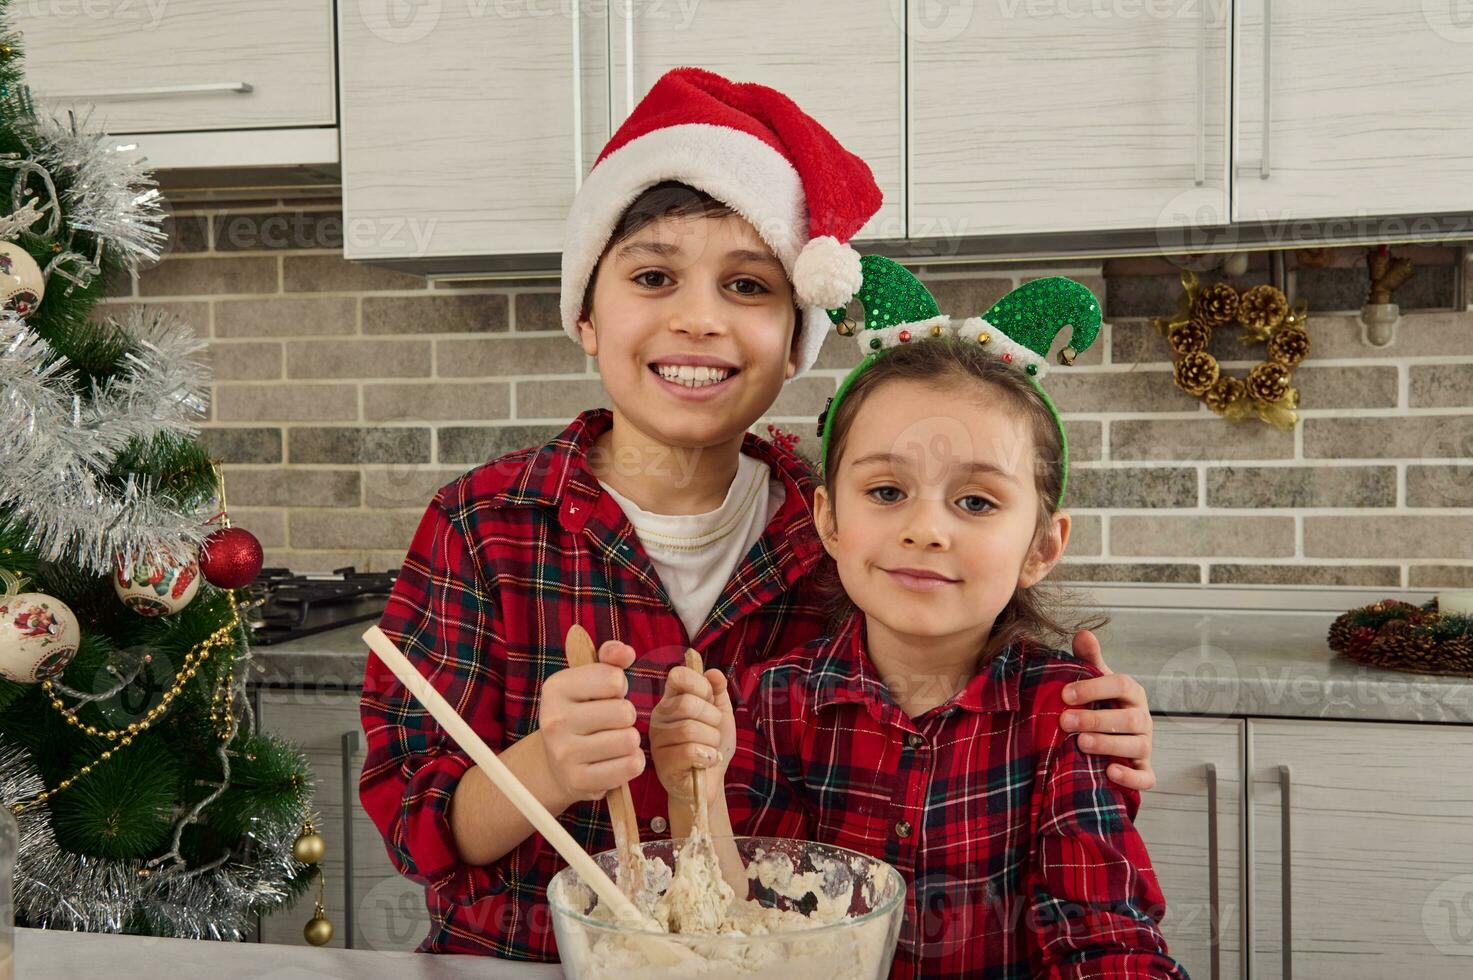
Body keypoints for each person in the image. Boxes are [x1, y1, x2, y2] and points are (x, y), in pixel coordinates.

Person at [359, 67, 1157, 961]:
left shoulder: (855, 528)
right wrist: (545, 763)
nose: (699, 319)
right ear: (586, 313)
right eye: (654, 276)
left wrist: (1078, 727)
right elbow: (415, 833)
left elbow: (945, 692)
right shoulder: (483, 524)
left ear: (795, 341)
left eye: (747, 287)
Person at [650, 258, 1186, 978]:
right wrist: (698, 792)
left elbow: (1102, 939)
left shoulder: (1067, 719)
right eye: (885, 490)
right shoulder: (766, 703)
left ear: (1040, 547)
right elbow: (742, 931)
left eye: (975, 502)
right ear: (829, 521)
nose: (926, 529)